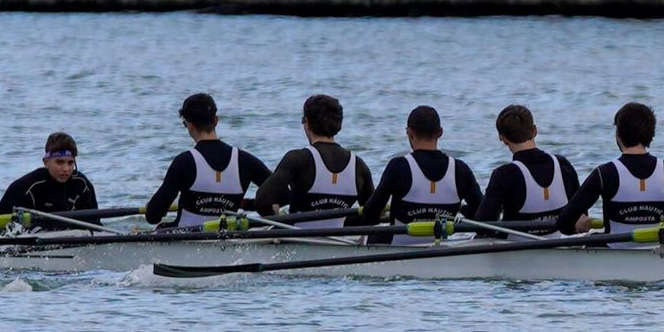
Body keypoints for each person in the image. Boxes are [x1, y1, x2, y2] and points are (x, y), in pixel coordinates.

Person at [554, 102, 664, 247]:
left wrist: (579, 225)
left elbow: (564, 223)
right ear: (651, 135)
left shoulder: (604, 173)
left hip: (614, 252)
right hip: (656, 251)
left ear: (618, 135)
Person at [354, 105, 482, 244]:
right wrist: (462, 209)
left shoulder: (398, 166)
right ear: (440, 132)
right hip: (439, 246)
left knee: (364, 238)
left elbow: (370, 214)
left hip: (398, 246)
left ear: (410, 133)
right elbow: (483, 215)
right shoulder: (461, 170)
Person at [145, 93, 271, 229]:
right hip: (229, 236)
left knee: (160, 227)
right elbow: (282, 194)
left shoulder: (184, 162)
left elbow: (152, 216)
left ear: (190, 125)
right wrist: (248, 204)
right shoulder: (245, 160)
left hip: (188, 237)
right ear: (216, 120)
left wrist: (154, 208)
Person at [249, 94, 374, 228]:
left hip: (296, 238)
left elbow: (262, 201)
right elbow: (372, 214)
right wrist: (342, 222)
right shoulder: (359, 166)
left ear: (307, 122)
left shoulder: (298, 159)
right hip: (339, 238)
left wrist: (278, 219)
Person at [475, 104, 581, 228]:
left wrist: (464, 210)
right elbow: (581, 214)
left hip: (517, 240)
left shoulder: (504, 175)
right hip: (558, 238)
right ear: (535, 130)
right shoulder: (563, 165)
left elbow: (483, 226)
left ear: (503, 139)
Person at [0, 131, 98, 228]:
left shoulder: (82, 184)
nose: (66, 169)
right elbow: (1, 226)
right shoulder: (25, 187)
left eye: (70, 163)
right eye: (60, 162)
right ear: (46, 162)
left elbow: (95, 223)